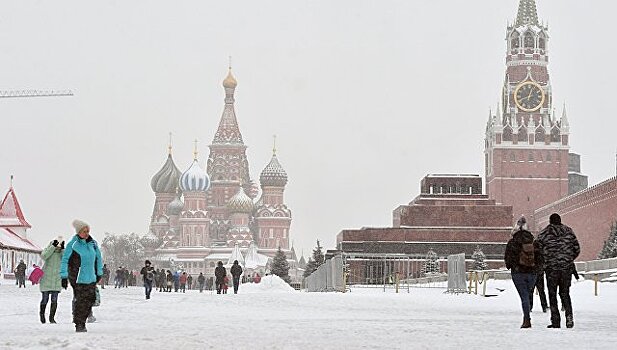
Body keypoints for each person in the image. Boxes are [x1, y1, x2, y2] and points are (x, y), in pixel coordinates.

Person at [537, 213, 580, 329]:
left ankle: (555, 320)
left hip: (551, 269)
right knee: (565, 293)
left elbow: (537, 249)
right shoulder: (569, 232)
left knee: (552, 294)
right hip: (566, 268)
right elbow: (577, 248)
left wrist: (546, 261)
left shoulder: (544, 233)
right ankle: (569, 317)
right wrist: (568, 259)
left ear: (550, 221)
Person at [60, 219, 103, 333]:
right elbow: (65, 260)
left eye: (88, 231)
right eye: (84, 231)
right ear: (78, 232)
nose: (86, 233)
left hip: (91, 277)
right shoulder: (73, 244)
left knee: (91, 299)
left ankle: (82, 319)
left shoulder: (93, 244)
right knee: (81, 301)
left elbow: (98, 259)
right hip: (77, 277)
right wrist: (64, 276)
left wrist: (99, 273)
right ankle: (79, 323)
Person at [505, 216, 543, 328]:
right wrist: (537, 269)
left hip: (518, 273)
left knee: (524, 296)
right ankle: (528, 310)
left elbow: (508, 258)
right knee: (528, 292)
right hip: (532, 272)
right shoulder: (533, 242)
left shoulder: (512, 243)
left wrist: (512, 266)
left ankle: (527, 318)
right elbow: (540, 257)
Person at [38, 237, 65, 324]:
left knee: (54, 300)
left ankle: (51, 318)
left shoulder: (61, 253)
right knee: (45, 299)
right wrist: (52, 247)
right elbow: (44, 256)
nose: (58, 246)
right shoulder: (48, 250)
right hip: (46, 279)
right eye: (57, 244)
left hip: (56, 280)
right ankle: (42, 315)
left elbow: (65, 259)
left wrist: (63, 249)